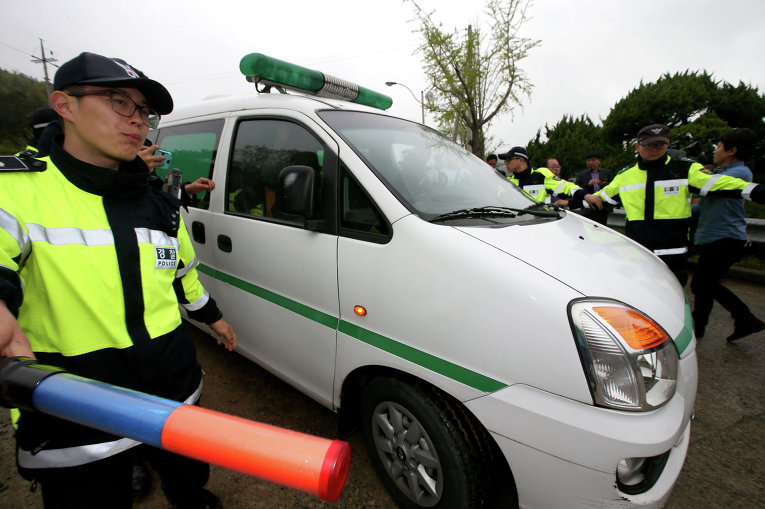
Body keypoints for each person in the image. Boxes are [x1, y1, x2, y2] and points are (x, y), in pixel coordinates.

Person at [0, 51, 237, 509]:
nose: (138, 121)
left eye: (144, 111)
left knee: (189, 475)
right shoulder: (16, 191)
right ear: (64, 105)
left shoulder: (160, 202)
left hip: (173, 389)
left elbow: (181, 273)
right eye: (118, 102)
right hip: (76, 405)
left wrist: (214, 318)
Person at [585, 123, 765, 286]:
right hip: (638, 253)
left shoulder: (686, 169)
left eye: (660, 145)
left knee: (672, 304)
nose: (654, 149)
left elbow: (720, 183)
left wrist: (755, 191)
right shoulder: (625, 175)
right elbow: (598, 200)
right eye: (649, 145)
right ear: (637, 146)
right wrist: (575, 200)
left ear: (667, 145)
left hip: (673, 254)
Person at [690, 128, 765, 342]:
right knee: (704, 285)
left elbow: (702, 187)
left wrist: (694, 171)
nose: (715, 150)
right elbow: (701, 208)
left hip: (726, 238)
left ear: (732, 150)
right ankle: (700, 328)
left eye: (719, 146)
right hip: (713, 237)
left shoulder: (740, 173)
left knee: (702, 284)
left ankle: (744, 317)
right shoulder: (719, 176)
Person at [498, 146, 587, 206]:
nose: (506, 163)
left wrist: (586, 195)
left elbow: (566, 187)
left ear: (521, 160)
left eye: (509, 160)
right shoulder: (508, 182)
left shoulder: (540, 174)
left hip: (541, 225)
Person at [574, 152, 614, 225]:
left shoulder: (607, 173)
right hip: (588, 207)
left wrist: (604, 184)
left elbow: (613, 186)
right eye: (588, 161)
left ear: (599, 161)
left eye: (593, 160)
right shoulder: (581, 175)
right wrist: (588, 185)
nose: (590, 163)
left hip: (603, 207)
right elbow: (576, 190)